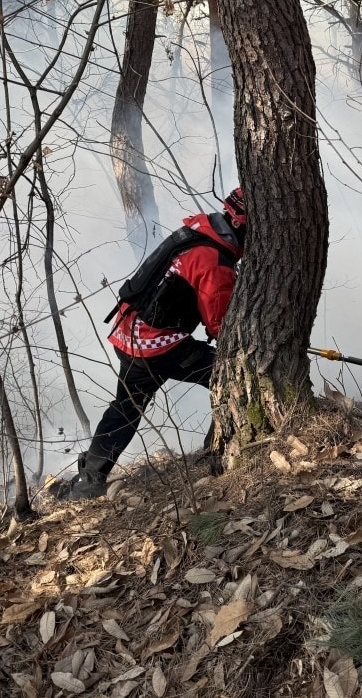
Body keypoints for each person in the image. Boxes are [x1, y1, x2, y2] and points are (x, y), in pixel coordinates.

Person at [63, 188, 248, 499]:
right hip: (156, 343)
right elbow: (219, 324)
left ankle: (89, 479)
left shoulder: (198, 230)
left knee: (126, 407)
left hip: (129, 330)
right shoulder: (215, 261)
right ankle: (215, 452)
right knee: (232, 378)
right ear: (244, 225)